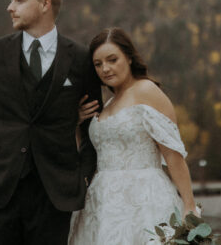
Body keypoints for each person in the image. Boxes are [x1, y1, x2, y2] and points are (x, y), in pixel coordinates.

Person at [0, 0, 103, 245]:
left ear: (45, 4)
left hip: (55, 191)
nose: (10, 7)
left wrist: (83, 177)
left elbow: (93, 126)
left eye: (19, 0)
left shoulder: (80, 57)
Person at [68, 27, 198, 245]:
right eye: (98, 64)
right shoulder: (107, 103)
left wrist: (189, 206)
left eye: (112, 60)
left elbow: (173, 155)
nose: (105, 69)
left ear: (129, 57)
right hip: (102, 203)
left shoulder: (146, 90)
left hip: (143, 199)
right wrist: (76, 123)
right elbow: (91, 152)